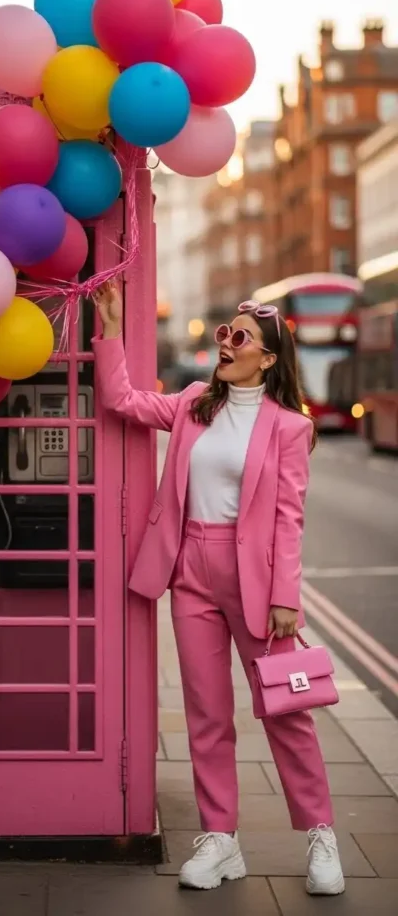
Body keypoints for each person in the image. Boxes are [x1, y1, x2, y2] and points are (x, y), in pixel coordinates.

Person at [92, 282, 344, 897]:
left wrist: (286, 596)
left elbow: (288, 517)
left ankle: (320, 835)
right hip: (191, 572)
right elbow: (122, 400)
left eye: (241, 337)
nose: (225, 343)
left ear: (268, 358)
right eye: (225, 333)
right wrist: (111, 330)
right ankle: (220, 839)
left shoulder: (289, 427)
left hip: (254, 576)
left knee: (286, 711)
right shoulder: (193, 404)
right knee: (206, 714)